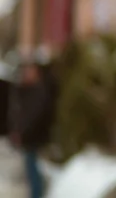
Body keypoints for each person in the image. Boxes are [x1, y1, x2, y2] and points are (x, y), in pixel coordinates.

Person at [9, 60, 58, 198]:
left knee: (35, 170)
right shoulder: (27, 90)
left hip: (35, 138)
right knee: (31, 170)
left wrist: (22, 133)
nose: (26, 74)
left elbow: (32, 117)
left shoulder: (40, 92)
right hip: (30, 138)